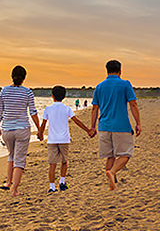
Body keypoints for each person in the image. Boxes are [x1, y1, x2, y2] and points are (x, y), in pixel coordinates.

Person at [90, 60, 141, 190]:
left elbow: (94, 108)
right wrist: (138, 123)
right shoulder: (125, 84)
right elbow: (133, 104)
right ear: (120, 71)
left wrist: (92, 126)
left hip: (104, 127)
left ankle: (111, 182)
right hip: (121, 126)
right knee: (125, 154)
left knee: (110, 156)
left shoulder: (99, 86)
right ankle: (112, 173)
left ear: (106, 71)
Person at [37, 86, 94, 193]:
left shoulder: (48, 109)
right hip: (64, 139)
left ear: (52, 96)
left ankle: (52, 187)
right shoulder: (67, 108)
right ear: (64, 97)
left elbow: (43, 124)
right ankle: (62, 181)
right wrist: (87, 130)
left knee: (52, 164)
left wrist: (40, 134)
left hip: (52, 140)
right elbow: (76, 121)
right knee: (64, 161)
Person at [0, 65, 40, 196]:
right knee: (19, 159)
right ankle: (14, 190)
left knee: (11, 155)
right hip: (22, 129)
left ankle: (8, 182)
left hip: (7, 129)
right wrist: (39, 129)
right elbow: (33, 112)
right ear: (24, 78)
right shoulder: (27, 92)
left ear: (12, 76)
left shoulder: (4, 91)